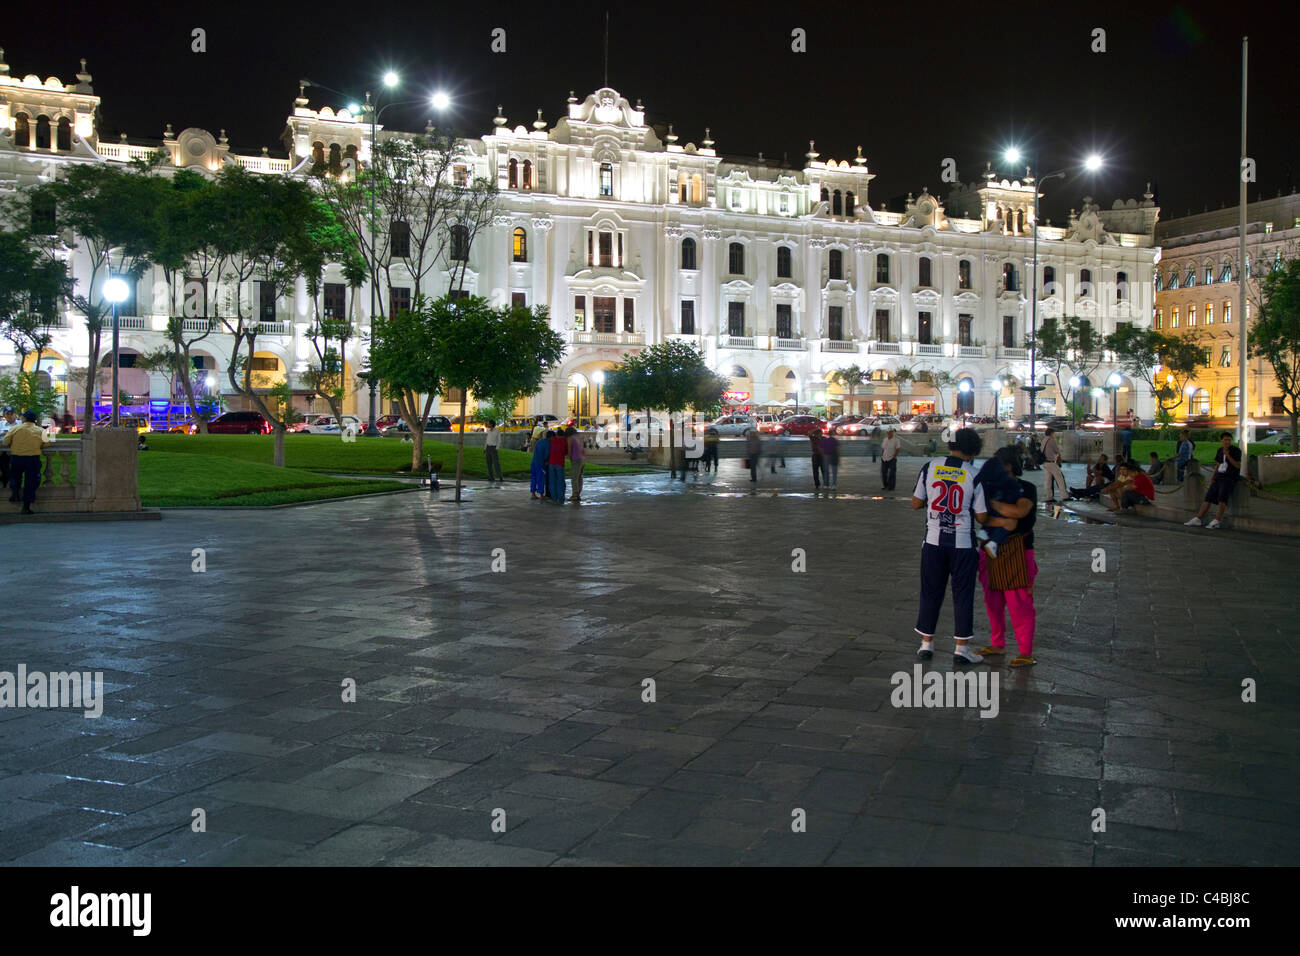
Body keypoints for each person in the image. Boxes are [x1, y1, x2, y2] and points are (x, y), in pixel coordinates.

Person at [911, 427, 990, 666]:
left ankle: (927, 643)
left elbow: (916, 503)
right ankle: (961, 648)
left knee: (930, 591)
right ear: (972, 450)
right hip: (962, 544)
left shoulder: (931, 466)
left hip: (933, 541)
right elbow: (982, 516)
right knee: (963, 594)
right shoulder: (974, 474)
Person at [975, 447, 1039, 668]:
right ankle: (997, 642)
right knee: (992, 600)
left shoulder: (1026, 488)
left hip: (1018, 550)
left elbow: (1019, 512)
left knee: (1019, 602)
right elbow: (981, 518)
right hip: (990, 550)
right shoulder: (988, 489)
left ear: (1009, 466)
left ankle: (1025, 651)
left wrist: (994, 507)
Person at [973, 446, 1028, 558]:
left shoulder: (989, 471)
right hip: (1015, 549)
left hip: (988, 509)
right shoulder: (1014, 485)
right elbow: (1018, 513)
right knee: (1011, 522)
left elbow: (981, 517)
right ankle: (993, 541)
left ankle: (985, 534)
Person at [1185, 432, 1243, 528]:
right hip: (1219, 476)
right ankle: (1198, 518)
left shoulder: (1236, 451)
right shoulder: (1220, 450)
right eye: (1225, 440)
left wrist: (1228, 455)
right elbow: (1218, 464)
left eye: (1229, 440)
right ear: (1221, 441)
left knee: (1222, 498)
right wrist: (1213, 476)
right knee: (1209, 497)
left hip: (1229, 477)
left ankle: (1217, 519)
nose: (1227, 442)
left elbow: (1237, 465)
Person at [3, 410, 51, 514]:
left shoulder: (14, 429)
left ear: (24, 419)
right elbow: (46, 444)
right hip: (32, 458)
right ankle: (26, 506)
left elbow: (5, 442)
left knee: (15, 477)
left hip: (17, 457)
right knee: (31, 482)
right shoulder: (40, 430)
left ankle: (15, 494)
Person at [1041, 428, 1066, 501]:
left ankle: (1048, 497)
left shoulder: (1044, 440)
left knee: (1048, 481)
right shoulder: (1051, 440)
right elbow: (1056, 450)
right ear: (1051, 433)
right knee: (1060, 479)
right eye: (1054, 433)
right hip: (1051, 462)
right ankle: (1065, 495)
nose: (1055, 435)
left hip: (1045, 462)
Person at [546, 428, 568, 502]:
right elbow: (565, 452)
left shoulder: (551, 441)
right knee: (560, 481)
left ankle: (554, 497)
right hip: (560, 463)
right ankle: (560, 497)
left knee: (552, 481)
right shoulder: (564, 442)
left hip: (551, 463)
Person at [566, 426, 586, 501]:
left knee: (574, 478)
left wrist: (569, 457)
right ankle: (578, 493)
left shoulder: (570, 438)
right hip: (582, 459)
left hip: (576, 459)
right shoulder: (578, 437)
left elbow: (569, 448)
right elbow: (583, 449)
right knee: (580, 477)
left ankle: (574, 494)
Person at [530, 429, 550, 499]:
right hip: (541, 463)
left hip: (534, 461)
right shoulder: (547, 444)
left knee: (533, 478)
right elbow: (546, 455)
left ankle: (533, 493)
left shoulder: (539, 441)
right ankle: (541, 494)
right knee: (540, 479)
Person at [0, 407, 17, 487]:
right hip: (3, 451)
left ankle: (14, 487)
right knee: (4, 469)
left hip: (17, 451)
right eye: (8, 414)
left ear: (15, 414)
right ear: (4, 415)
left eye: (11, 413)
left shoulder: (20, 423)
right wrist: (3, 434)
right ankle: (4, 485)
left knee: (15, 471)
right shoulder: (1, 424)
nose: (10, 416)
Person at [483, 419, 504, 484]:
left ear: (492, 424)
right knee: (489, 463)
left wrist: (497, 448)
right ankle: (491, 476)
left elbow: (499, 440)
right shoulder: (489, 431)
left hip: (493, 447)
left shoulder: (497, 431)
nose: (488, 424)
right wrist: (485, 448)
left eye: (489, 423)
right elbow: (487, 440)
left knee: (496, 463)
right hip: (488, 447)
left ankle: (500, 476)